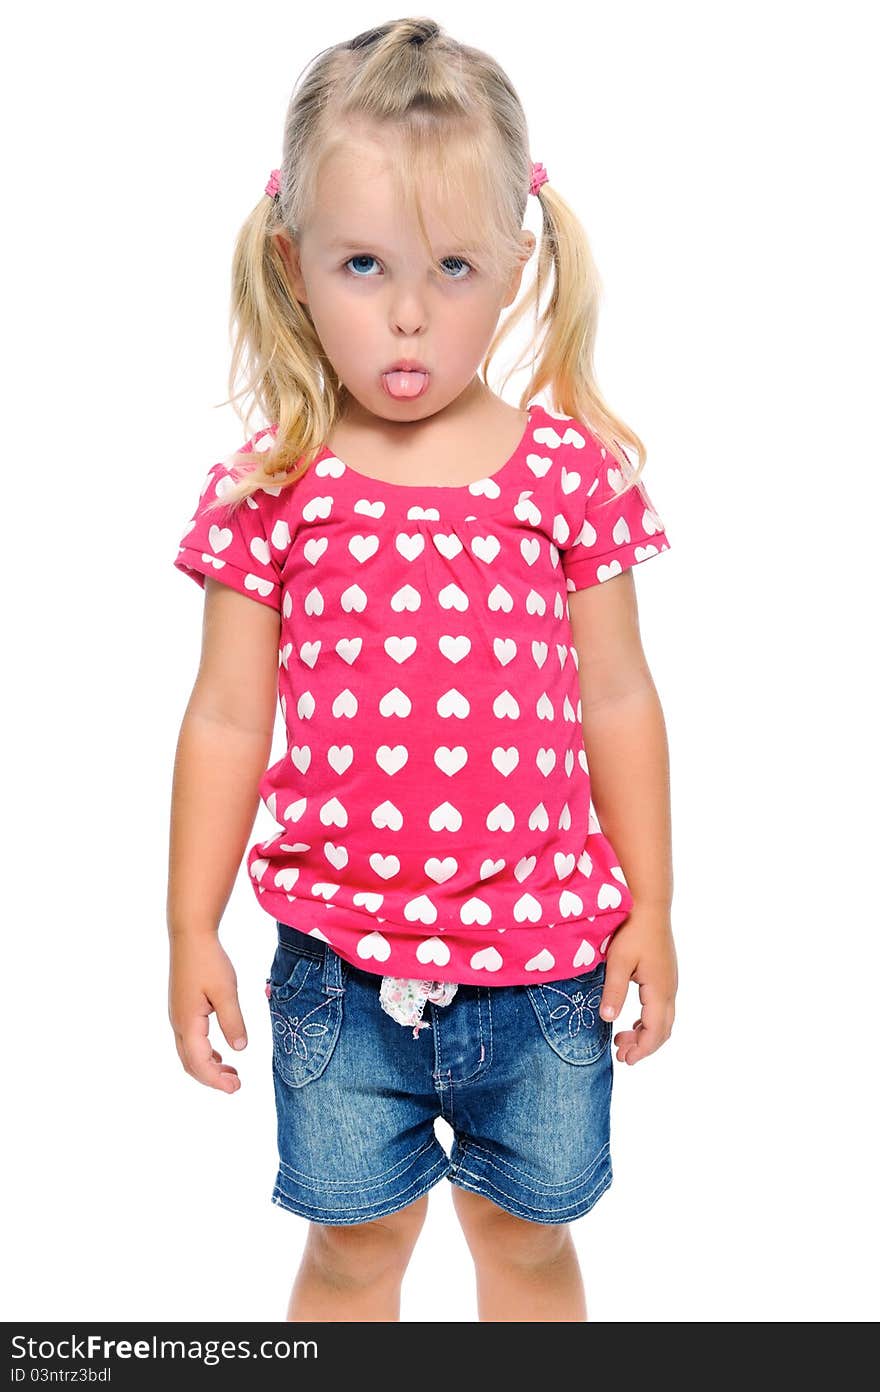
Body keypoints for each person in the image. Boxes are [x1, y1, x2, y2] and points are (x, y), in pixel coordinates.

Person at [167, 16, 677, 1324]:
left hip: (548, 971)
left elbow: (619, 698)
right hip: (335, 976)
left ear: (516, 261)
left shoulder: (565, 477)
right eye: (362, 264)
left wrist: (655, 910)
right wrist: (189, 926)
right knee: (352, 1252)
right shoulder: (273, 490)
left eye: (453, 266)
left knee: (524, 1248)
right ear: (292, 263)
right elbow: (227, 718)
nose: (407, 311)